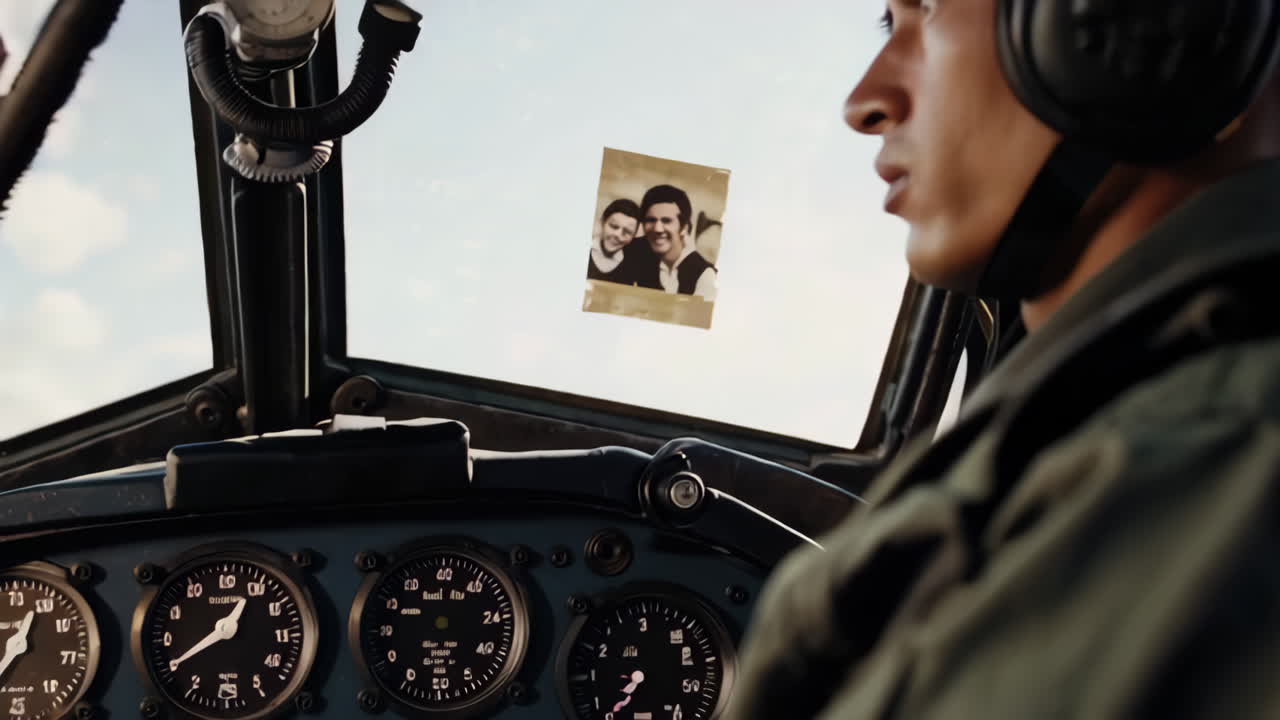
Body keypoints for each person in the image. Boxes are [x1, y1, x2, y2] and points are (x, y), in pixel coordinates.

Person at [726, 2, 1280, 719]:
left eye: (927, 13)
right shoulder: (1114, 432)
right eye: (887, 26)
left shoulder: (1202, 467)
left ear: (1152, 24)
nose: (865, 102)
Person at [634, 184, 717, 300]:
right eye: (651, 220)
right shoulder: (636, 253)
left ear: (684, 228)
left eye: (666, 221)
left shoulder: (704, 275)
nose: (657, 228)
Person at [587, 198, 642, 283]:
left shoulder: (631, 267)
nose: (618, 235)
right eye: (613, 226)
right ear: (603, 222)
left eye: (627, 232)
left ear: (633, 236)